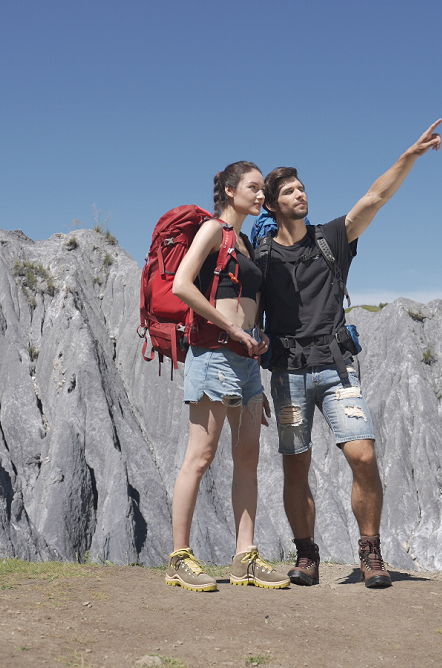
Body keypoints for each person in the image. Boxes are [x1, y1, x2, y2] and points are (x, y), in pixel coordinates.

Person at [257, 120, 442, 588]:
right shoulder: (262, 257)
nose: (300, 194)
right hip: (287, 372)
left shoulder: (331, 239)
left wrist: (410, 156)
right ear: (273, 204)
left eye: (302, 188)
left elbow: (375, 197)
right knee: (295, 464)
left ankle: (370, 553)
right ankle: (306, 556)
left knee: (363, 456)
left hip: (336, 368)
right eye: (290, 191)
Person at [165, 161, 291, 592]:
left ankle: (245, 557)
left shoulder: (245, 243)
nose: (261, 195)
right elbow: (182, 284)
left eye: (262, 189)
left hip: (246, 363)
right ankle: (179, 558)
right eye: (253, 188)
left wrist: (253, 338)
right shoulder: (213, 230)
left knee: (248, 458)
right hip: (214, 356)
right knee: (200, 457)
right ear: (230, 190)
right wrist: (232, 328)